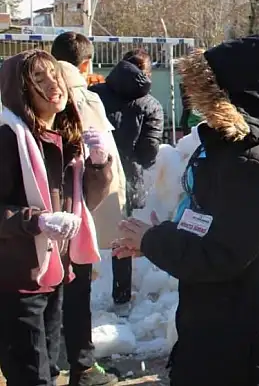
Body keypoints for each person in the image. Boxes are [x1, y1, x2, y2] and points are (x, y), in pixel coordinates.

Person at [113, 34, 259, 386]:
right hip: (232, 326)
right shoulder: (239, 147)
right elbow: (217, 226)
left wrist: (154, 240)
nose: (196, 99)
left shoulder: (251, 162)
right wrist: (170, 234)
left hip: (249, 344)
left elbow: (221, 255)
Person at [0, 50, 113, 386]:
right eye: (39, 78)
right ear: (20, 90)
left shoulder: (64, 137)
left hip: (55, 272)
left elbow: (84, 203)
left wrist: (98, 164)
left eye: (55, 75)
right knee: (31, 376)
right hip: (17, 279)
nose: (54, 85)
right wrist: (35, 221)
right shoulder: (8, 140)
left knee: (48, 371)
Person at [51, 32, 125, 386]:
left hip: (37, 215)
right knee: (76, 291)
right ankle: (81, 367)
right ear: (86, 64)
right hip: (75, 210)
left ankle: (47, 366)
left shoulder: (22, 96)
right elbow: (100, 165)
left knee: (46, 292)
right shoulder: (81, 98)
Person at [90, 50, 164, 316]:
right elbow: (148, 153)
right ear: (146, 73)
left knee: (83, 232)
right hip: (127, 181)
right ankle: (121, 299)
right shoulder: (151, 104)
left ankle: (76, 295)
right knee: (123, 237)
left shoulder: (93, 93)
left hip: (90, 175)